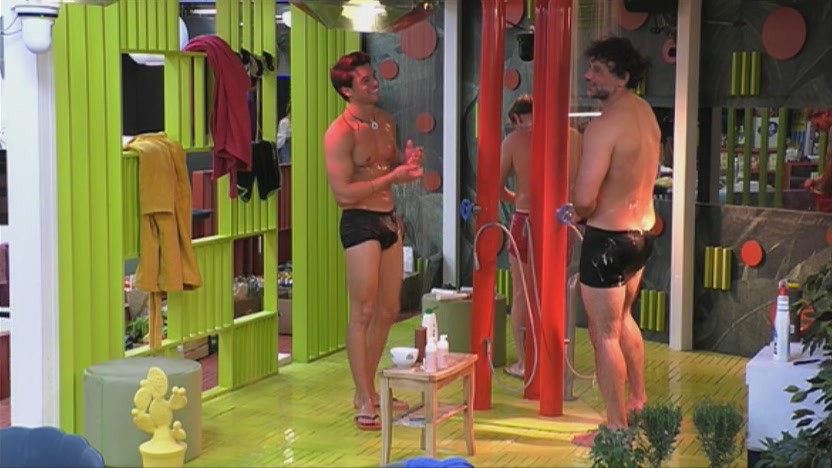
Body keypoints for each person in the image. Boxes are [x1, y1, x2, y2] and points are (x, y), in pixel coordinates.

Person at [323, 51, 424, 432]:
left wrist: (407, 164)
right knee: (362, 311)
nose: (375, 83)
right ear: (347, 91)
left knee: (389, 309)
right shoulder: (339, 133)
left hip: (388, 218)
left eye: (373, 76)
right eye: (365, 80)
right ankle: (364, 397)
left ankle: (367, 389)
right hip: (359, 222)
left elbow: (391, 165)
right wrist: (390, 178)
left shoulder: (385, 121)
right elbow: (343, 194)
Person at [570, 37, 659, 447]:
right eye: (590, 68)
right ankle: (638, 401)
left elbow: (584, 198)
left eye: (598, 70)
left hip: (607, 241)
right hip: (641, 235)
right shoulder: (645, 114)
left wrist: (577, 208)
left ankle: (616, 428)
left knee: (603, 334)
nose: (588, 76)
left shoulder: (603, 127)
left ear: (622, 78)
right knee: (623, 320)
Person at [498, 95, 581, 380]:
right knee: (555, 292)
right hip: (561, 222)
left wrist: (519, 198)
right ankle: (555, 359)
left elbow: (495, 187)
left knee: (522, 293)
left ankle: (526, 363)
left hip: (525, 219)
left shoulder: (514, 141)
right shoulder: (573, 138)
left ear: (518, 118)